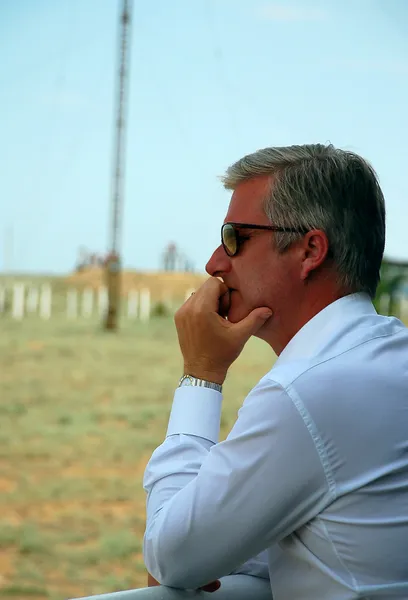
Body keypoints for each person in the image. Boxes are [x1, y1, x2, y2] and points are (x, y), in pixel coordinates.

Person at [143, 144, 408, 599]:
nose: (214, 263)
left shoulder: (307, 391)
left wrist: (201, 374)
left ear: (310, 250)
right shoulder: (386, 359)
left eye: (235, 238)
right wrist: (204, 548)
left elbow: (170, 557)